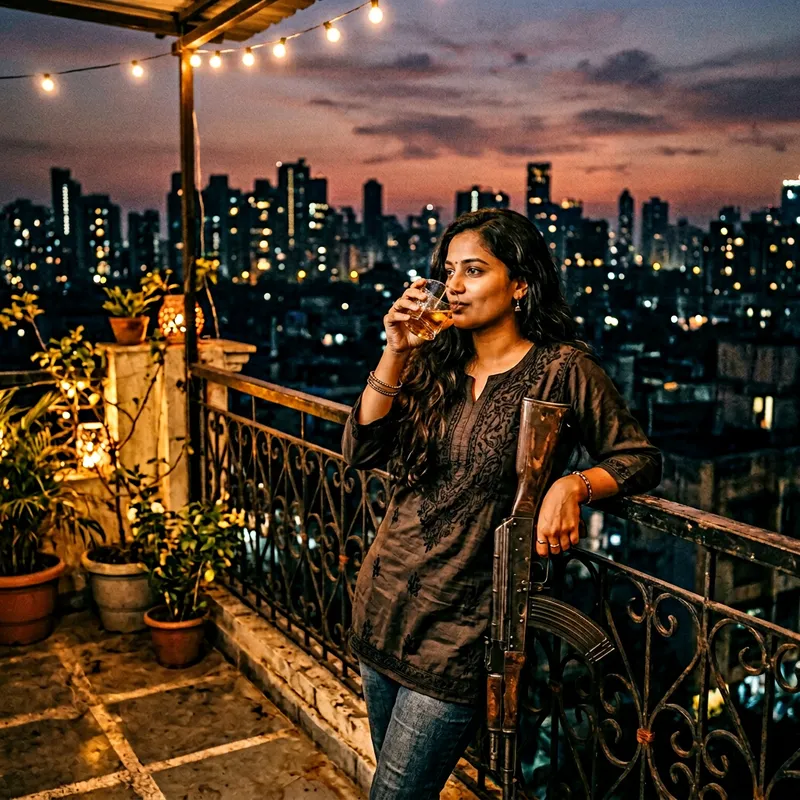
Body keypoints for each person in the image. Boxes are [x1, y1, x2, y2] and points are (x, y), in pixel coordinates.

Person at [341, 208, 662, 800]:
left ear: (520, 284)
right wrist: (396, 349)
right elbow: (362, 447)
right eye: (447, 271)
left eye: (474, 270)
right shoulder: (435, 360)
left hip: (462, 628)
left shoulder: (563, 369)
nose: (454, 286)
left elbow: (638, 457)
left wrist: (572, 485)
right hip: (382, 601)